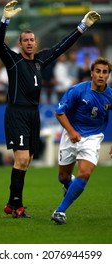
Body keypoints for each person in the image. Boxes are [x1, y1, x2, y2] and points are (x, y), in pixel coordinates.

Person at [0, 0, 100, 218]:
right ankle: (16, 205)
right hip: (16, 112)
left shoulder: (41, 60)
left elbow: (62, 46)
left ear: (36, 42)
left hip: (33, 114)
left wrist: (83, 26)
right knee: (21, 160)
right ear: (20, 44)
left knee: (27, 160)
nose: (30, 43)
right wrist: (5, 20)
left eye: (32, 40)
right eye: (26, 41)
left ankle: (12, 203)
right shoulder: (13, 60)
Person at [51, 57, 112, 225]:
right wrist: (71, 131)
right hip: (71, 135)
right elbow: (59, 112)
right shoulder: (77, 90)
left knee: (85, 173)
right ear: (91, 73)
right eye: (98, 71)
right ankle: (68, 184)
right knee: (63, 176)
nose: (101, 75)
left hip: (92, 137)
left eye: (105, 72)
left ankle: (60, 211)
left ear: (108, 75)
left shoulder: (110, 96)